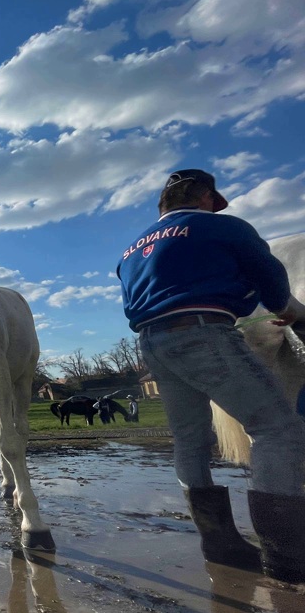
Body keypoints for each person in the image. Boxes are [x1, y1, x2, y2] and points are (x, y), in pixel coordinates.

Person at [116, 168, 305, 583]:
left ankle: (219, 543)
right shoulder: (223, 228)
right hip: (203, 334)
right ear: (203, 196)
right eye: (211, 199)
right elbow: (268, 272)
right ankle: (287, 554)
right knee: (278, 429)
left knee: (190, 439)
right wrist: (285, 308)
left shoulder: (131, 251)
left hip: (153, 344)